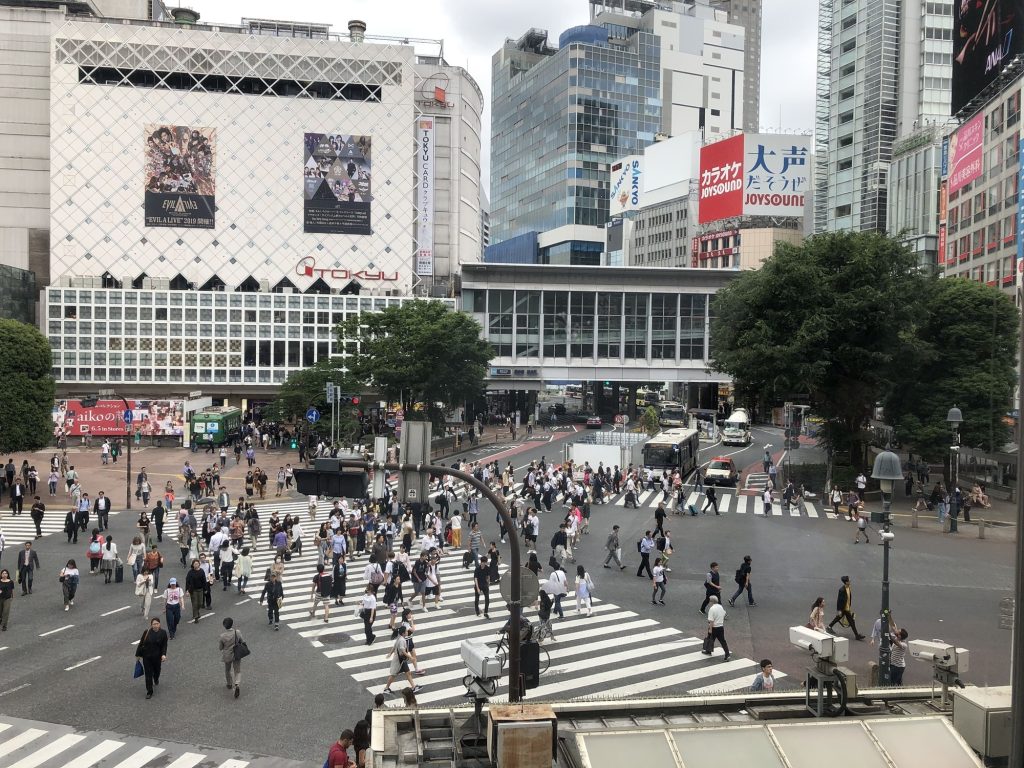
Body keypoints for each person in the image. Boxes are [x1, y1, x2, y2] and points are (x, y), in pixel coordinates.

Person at [382, 625, 421, 696]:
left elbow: (394, 646)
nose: (407, 632)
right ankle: (386, 688)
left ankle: (413, 687)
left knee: (408, 673)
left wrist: (390, 653)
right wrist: (411, 657)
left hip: (401, 660)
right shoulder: (402, 640)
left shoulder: (399, 638)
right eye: (406, 631)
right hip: (399, 660)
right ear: (403, 633)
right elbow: (403, 651)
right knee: (393, 675)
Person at [135, 617, 169, 699]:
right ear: (151, 625)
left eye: (157, 624)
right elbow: (141, 643)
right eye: (154, 624)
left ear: (159, 624)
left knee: (157, 671)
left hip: (157, 657)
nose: (155, 625)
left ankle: (156, 678)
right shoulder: (147, 632)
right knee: (148, 674)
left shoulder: (163, 633)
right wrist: (138, 655)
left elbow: (164, 645)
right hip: (147, 657)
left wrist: (163, 654)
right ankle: (149, 691)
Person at [826, 575, 865, 640]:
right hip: (843, 609)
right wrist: (839, 610)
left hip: (846, 608)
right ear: (846, 582)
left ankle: (829, 627)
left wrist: (848, 607)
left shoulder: (848, 587)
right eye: (849, 580)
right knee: (850, 621)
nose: (850, 580)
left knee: (841, 619)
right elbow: (839, 601)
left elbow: (848, 599)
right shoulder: (842, 590)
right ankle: (857, 635)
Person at [219, 617, 244, 698]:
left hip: (227, 655)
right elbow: (242, 641)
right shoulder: (237, 632)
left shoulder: (222, 636)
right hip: (237, 654)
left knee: (227, 669)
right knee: (237, 670)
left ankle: (229, 684)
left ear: (224, 626)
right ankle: (237, 683)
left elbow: (220, 647)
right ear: (232, 624)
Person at [703, 596, 730, 660]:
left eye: (709, 601)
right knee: (723, 641)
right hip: (721, 627)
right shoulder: (720, 607)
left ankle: (708, 651)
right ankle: (727, 654)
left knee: (710, 639)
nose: (709, 602)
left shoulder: (712, 609)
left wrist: (710, 629)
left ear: (712, 601)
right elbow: (724, 614)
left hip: (714, 627)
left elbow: (711, 621)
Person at [185, 559, 206, 623]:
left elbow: (204, 581)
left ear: (199, 564)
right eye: (194, 564)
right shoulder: (190, 572)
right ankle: (196, 617)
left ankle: (197, 611)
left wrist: (205, 589)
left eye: (197, 564)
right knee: (195, 604)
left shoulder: (201, 571)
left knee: (200, 603)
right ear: (192, 565)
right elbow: (187, 582)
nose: (196, 565)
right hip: (193, 590)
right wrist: (187, 590)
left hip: (200, 589)